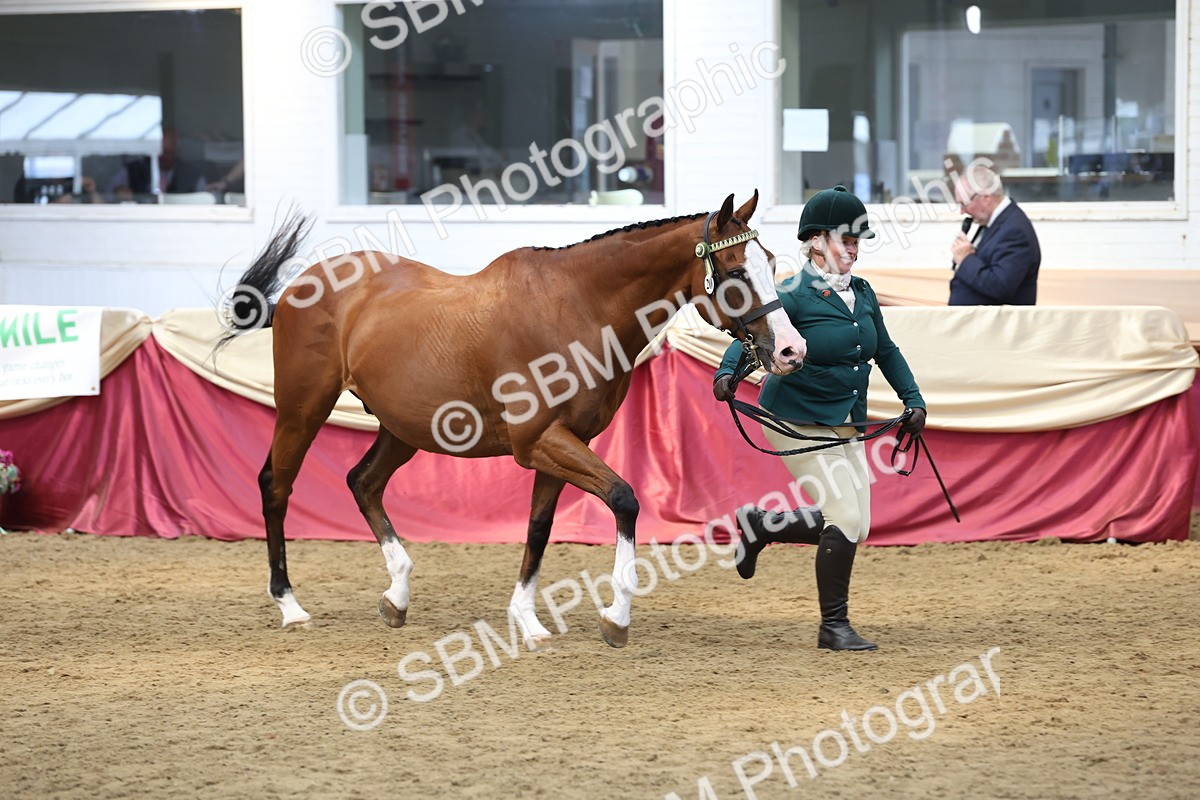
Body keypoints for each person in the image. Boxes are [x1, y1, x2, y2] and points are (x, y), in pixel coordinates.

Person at [712, 185, 927, 652]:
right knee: (845, 515)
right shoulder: (793, 293)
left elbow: (885, 351)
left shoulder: (863, 294)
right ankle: (834, 626)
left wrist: (914, 401)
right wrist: (727, 373)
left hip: (845, 419)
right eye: (843, 239)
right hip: (796, 418)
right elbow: (755, 338)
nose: (852, 247)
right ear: (815, 241)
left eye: (856, 240)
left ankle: (760, 525)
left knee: (858, 523)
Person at [949, 163, 1041, 305]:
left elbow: (1000, 287)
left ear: (986, 198)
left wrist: (966, 259)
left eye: (964, 204)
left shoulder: (1015, 231)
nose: (962, 211)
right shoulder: (993, 222)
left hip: (996, 325)